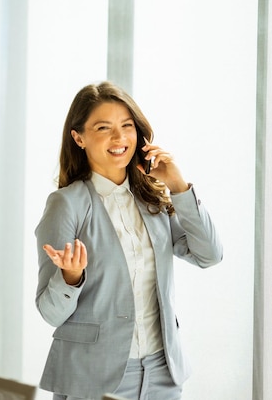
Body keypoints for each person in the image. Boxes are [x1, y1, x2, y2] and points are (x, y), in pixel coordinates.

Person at [35, 81, 222, 400]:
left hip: (163, 373)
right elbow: (50, 312)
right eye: (103, 127)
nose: (119, 137)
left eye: (126, 125)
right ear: (78, 137)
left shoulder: (151, 200)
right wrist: (71, 277)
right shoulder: (67, 205)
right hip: (95, 375)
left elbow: (209, 254)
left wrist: (178, 186)